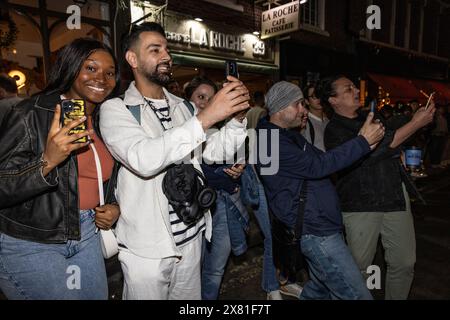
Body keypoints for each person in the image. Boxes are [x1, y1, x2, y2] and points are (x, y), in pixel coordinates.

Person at [99, 22, 249, 300]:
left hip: (191, 237)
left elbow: (215, 152)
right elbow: (143, 158)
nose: (166, 56)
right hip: (147, 250)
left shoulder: (185, 107)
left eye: (166, 49)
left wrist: (238, 118)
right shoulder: (116, 109)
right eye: (155, 50)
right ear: (132, 59)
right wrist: (208, 116)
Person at [0, 38, 121, 299]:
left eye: (109, 73)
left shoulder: (104, 119)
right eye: (90, 68)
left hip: (87, 233)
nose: (102, 78)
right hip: (33, 241)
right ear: (71, 67)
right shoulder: (31, 112)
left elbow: (106, 175)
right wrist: (47, 160)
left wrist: (112, 205)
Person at [256, 81, 385, 300]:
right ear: (280, 108)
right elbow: (318, 166)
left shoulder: (283, 135)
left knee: (321, 289)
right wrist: (362, 142)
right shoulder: (272, 142)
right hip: (316, 231)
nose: (303, 110)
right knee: (357, 295)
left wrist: (361, 142)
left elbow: (321, 160)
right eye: (298, 105)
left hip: (316, 224)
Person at [320, 75, 435, 300]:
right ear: (333, 100)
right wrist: (415, 124)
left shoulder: (369, 116)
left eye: (354, 86)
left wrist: (412, 121)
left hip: (394, 197)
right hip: (361, 205)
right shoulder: (334, 130)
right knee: (359, 269)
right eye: (348, 89)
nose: (356, 90)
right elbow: (374, 151)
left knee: (404, 263)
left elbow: (390, 137)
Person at [300, 84, 329, 152]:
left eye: (319, 95)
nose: (318, 99)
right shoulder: (304, 122)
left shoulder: (328, 120)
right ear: (307, 101)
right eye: (313, 96)